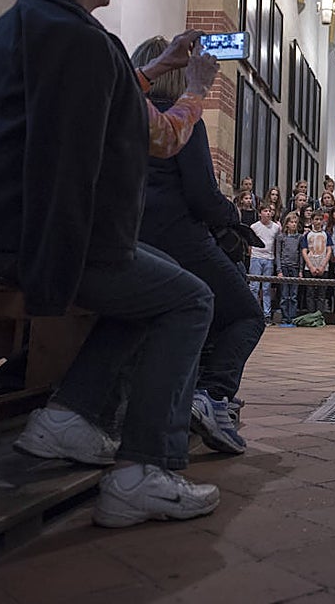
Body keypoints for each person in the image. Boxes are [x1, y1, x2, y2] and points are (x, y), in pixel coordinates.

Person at [0, 0, 219, 527]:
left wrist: (155, 68)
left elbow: (99, 97)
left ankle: (70, 417)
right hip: (32, 236)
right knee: (190, 298)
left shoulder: (17, 24)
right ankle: (146, 469)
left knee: (155, 292)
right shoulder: (85, 42)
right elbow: (153, 137)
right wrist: (195, 87)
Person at [131, 35, 262, 458]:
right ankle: (212, 395)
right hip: (179, 237)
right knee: (245, 313)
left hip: (135, 238)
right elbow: (203, 196)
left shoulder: (126, 115)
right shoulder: (182, 119)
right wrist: (236, 219)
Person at [247, 205, 279, 323]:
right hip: (256, 257)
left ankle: (267, 314)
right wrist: (253, 255)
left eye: (270, 211)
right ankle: (254, 312)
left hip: (269, 258)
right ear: (260, 213)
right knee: (254, 287)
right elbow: (249, 244)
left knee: (266, 288)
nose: (268, 213)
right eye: (265, 211)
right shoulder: (254, 227)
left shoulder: (276, 227)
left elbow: (276, 243)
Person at [275, 213, 304, 326]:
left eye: (295, 222)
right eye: (291, 222)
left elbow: (301, 255)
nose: (293, 224)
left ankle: (292, 317)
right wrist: (279, 270)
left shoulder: (299, 237)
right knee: (284, 294)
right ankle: (284, 317)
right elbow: (278, 253)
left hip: (295, 268)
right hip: (284, 267)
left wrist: (301, 270)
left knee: (293, 295)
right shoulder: (281, 237)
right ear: (286, 224)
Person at [302, 212, 332, 314]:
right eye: (316, 219)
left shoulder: (326, 235)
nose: (318, 222)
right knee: (310, 293)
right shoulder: (307, 235)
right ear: (312, 221)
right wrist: (310, 266)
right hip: (309, 268)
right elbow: (304, 251)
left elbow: (329, 251)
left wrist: (323, 266)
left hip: (323, 267)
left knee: (321, 293)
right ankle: (311, 315)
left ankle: (319, 315)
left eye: (320, 219)